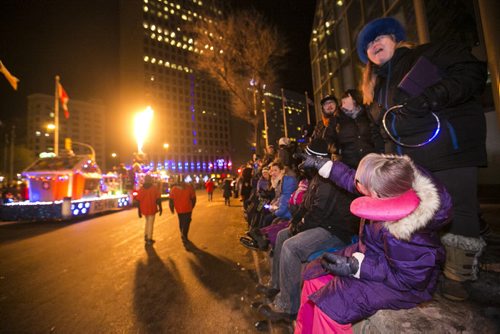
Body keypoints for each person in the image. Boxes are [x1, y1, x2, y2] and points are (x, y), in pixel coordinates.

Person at [357, 17, 488, 300]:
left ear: (395, 38)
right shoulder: (377, 90)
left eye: (379, 37)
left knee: (459, 209)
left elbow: (471, 71)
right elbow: (380, 132)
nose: (375, 44)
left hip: (450, 149)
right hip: (410, 162)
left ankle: (459, 274)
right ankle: (430, 268)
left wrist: (431, 97)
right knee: (422, 217)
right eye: (368, 44)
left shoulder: (428, 54)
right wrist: (383, 163)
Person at [294, 153, 452, 333]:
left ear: (377, 194)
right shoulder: (392, 186)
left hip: (401, 285)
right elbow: (354, 180)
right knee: (314, 274)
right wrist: (325, 165)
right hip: (373, 255)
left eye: (361, 184)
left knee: (332, 307)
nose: (356, 184)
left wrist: (358, 268)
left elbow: (410, 280)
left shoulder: (405, 231)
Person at [258, 138, 359, 321]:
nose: (304, 162)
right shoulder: (316, 177)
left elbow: (319, 212)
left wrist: (300, 225)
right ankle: (277, 286)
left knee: (291, 246)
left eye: (308, 157)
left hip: (334, 231)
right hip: (321, 224)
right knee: (282, 235)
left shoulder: (328, 178)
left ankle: (288, 307)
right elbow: (306, 205)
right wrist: (295, 219)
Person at [330, 89, 375, 168]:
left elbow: (375, 134)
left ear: (353, 99)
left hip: (369, 162)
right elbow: (329, 138)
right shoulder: (337, 118)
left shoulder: (366, 114)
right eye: (342, 102)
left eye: (345, 101)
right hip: (348, 164)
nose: (342, 105)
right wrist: (337, 151)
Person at [136, 175, 163, 246]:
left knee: (147, 221)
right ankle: (149, 238)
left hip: (144, 209)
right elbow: (158, 199)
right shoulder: (154, 188)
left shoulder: (141, 189)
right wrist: (160, 208)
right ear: (151, 180)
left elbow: (138, 201)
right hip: (152, 208)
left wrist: (139, 211)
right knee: (150, 223)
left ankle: (146, 235)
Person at [169, 180, 197, 244]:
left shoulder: (174, 189)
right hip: (188, 208)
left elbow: (171, 200)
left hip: (179, 209)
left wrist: (171, 208)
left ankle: (182, 233)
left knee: (181, 221)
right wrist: (192, 206)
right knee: (187, 222)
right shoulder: (189, 187)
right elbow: (194, 198)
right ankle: (184, 235)